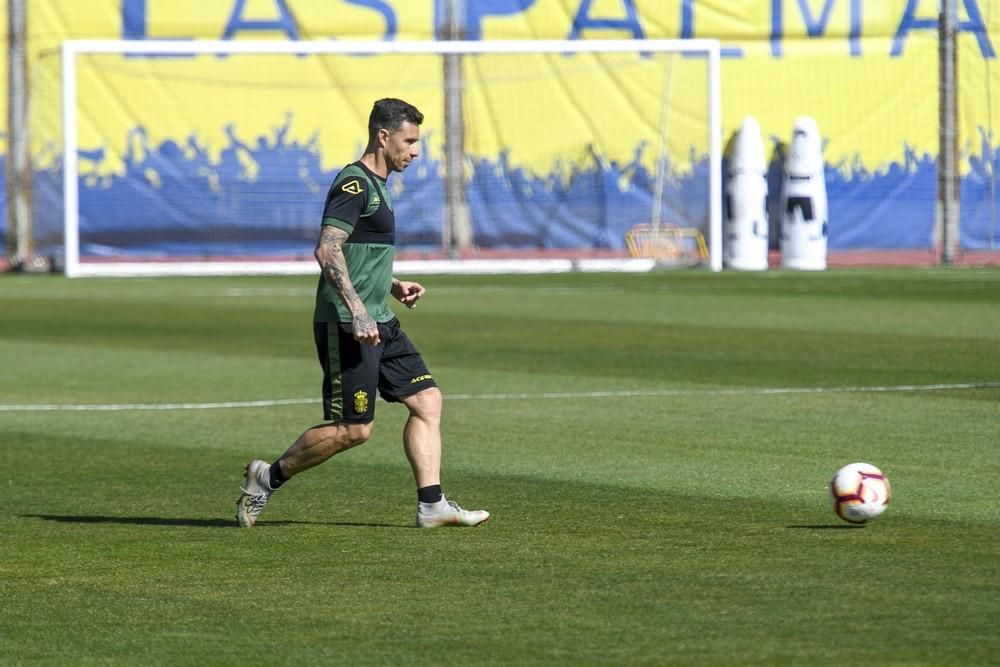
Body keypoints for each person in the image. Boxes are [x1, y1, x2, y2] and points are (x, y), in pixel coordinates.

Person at [236, 98, 490, 529]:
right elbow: (328, 248)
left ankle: (432, 506)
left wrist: (392, 285)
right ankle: (267, 477)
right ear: (383, 136)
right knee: (354, 430)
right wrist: (358, 312)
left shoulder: (380, 184)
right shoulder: (353, 184)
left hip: (379, 320)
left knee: (427, 401)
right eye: (409, 141)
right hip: (349, 323)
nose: (415, 151)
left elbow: (357, 255)